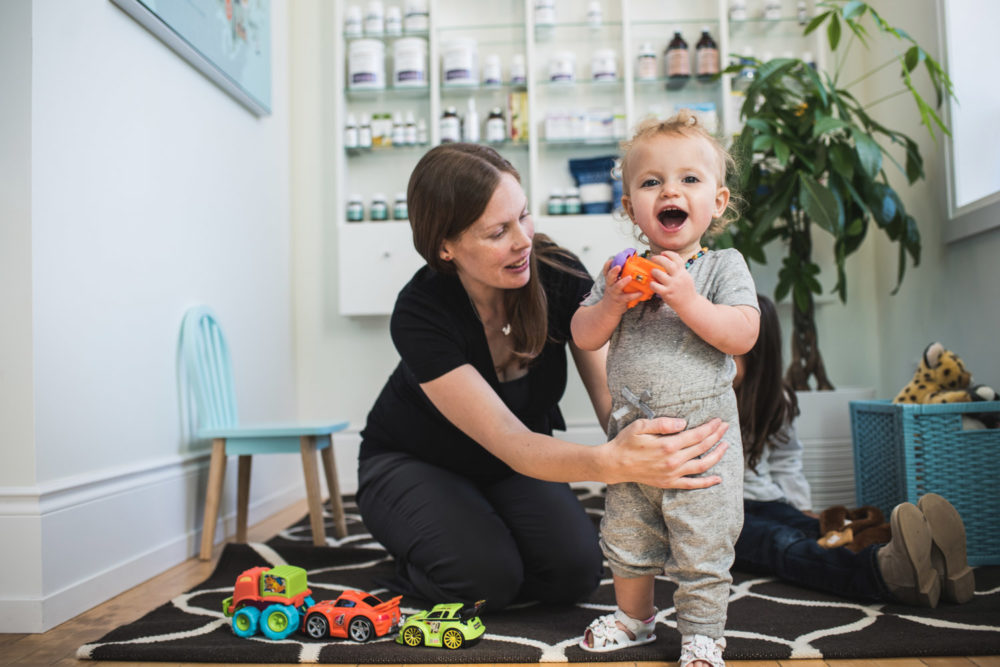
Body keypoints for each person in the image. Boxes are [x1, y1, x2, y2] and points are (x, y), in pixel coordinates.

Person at [355, 142, 732, 613]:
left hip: (510, 467)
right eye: (498, 232)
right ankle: (431, 551)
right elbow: (510, 441)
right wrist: (614, 462)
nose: (523, 241)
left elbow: (610, 398)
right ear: (445, 247)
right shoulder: (420, 312)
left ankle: (476, 531)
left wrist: (657, 454)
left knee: (574, 574)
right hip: (414, 462)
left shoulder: (555, 273)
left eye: (523, 216)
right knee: (485, 581)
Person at [571, 111, 760, 667]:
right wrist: (611, 302)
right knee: (627, 537)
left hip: (703, 444)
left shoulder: (722, 267)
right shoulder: (619, 271)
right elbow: (582, 335)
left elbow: (743, 333)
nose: (670, 191)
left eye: (689, 179)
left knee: (703, 542)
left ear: (717, 202)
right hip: (633, 438)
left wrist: (687, 299)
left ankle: (703, 634)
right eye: (651, 181)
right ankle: (635, 619)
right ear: (631, 207)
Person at [734, 293, 976, 608]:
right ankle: (885, 573)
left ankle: (934, 562)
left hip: (763, 499)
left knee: (822, 529)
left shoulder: (775, 397)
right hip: (716, 512)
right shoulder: (695, 394)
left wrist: (802, 506)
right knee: (780, 542)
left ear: (758, 352)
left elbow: (785, 460)